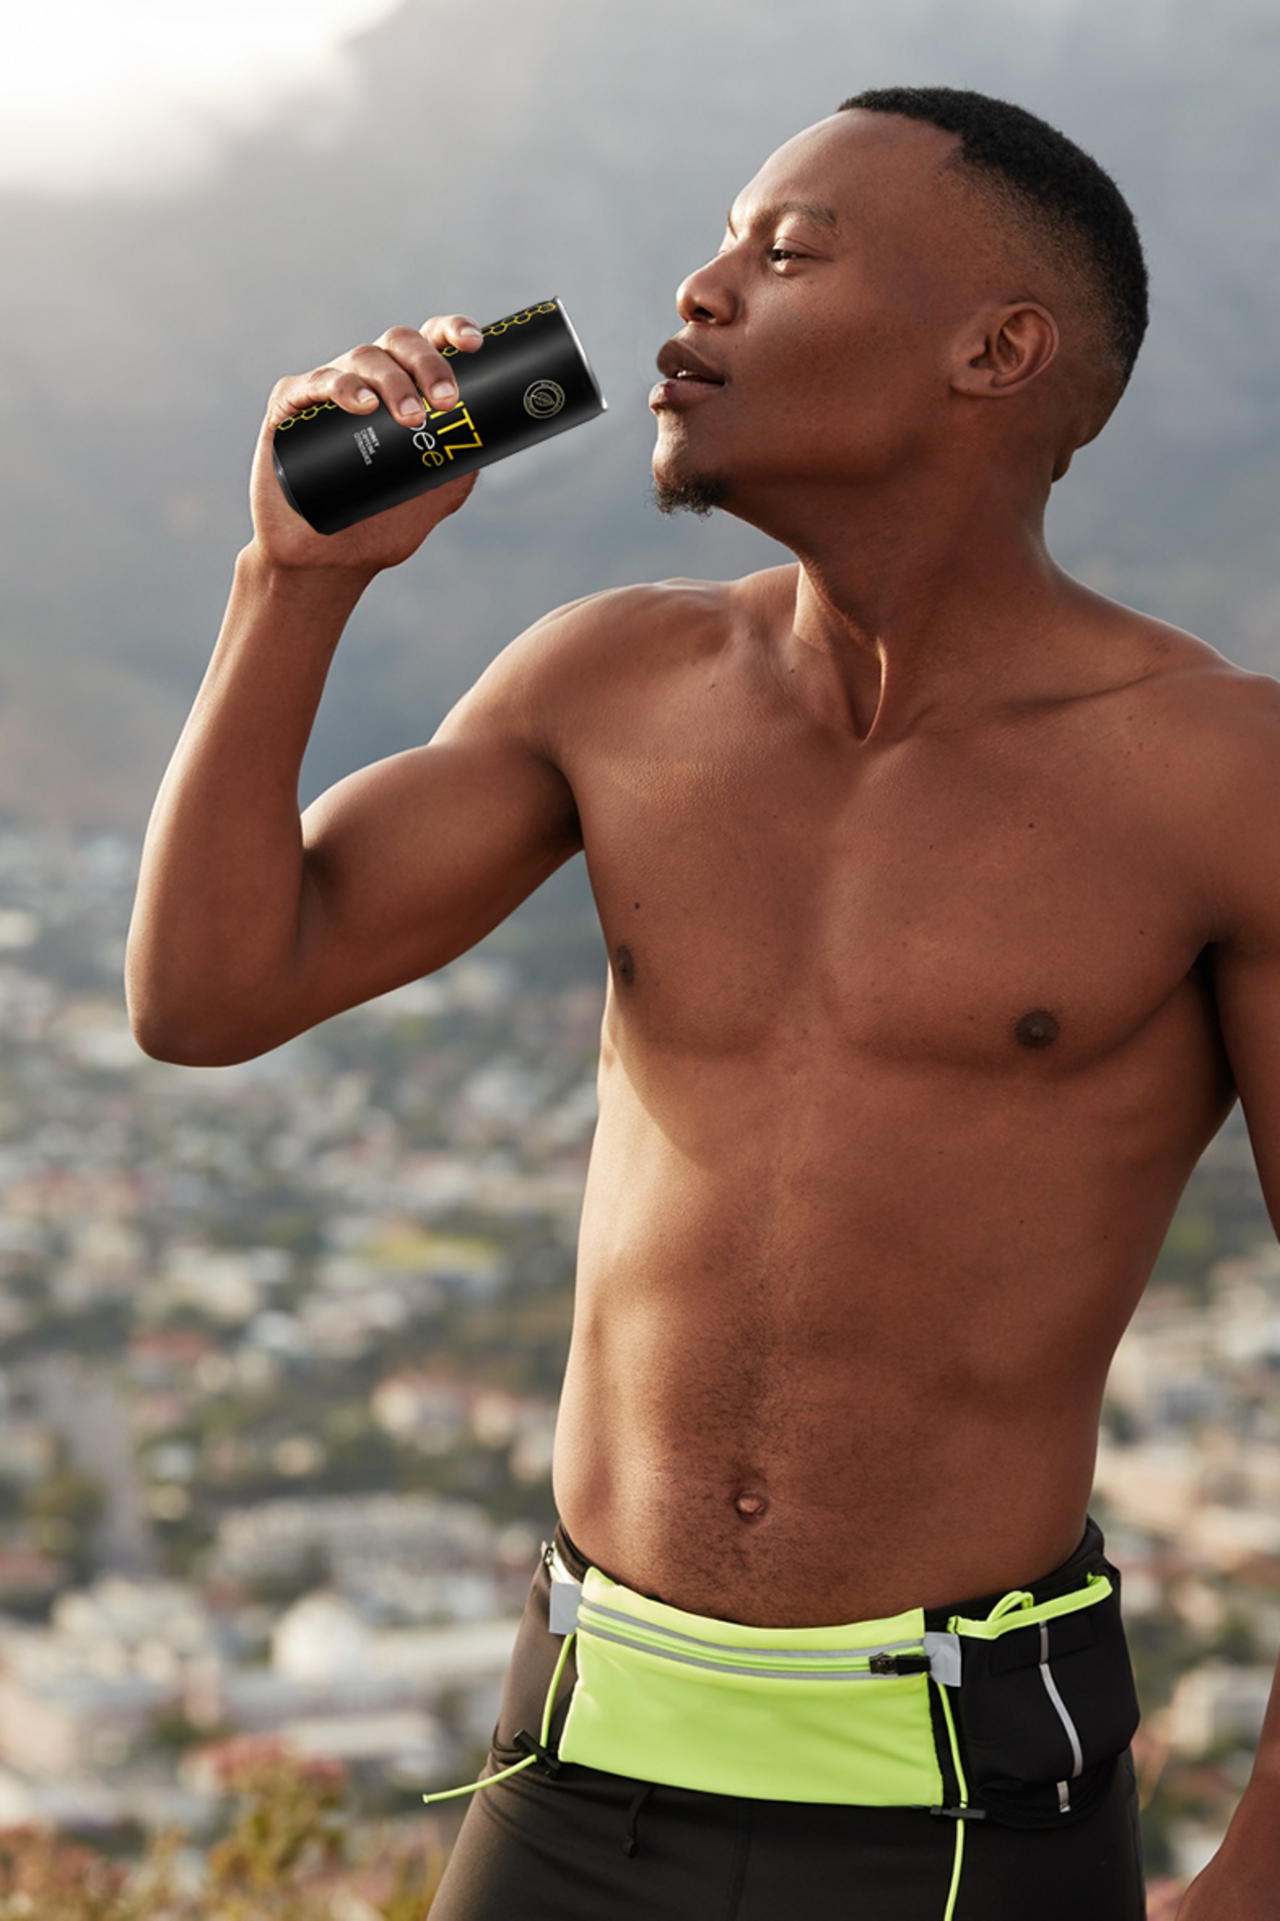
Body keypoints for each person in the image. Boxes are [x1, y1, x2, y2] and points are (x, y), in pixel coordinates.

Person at [125, 85, 1280, 1919]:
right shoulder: (612, 679)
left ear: (997, 351)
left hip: (970, 1804)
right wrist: (292, 580)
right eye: (722, 240)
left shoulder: (1221, 778)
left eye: (787, 252)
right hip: (576, 1764)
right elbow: (206, 993)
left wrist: (1264, 1873)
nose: (702, 287)